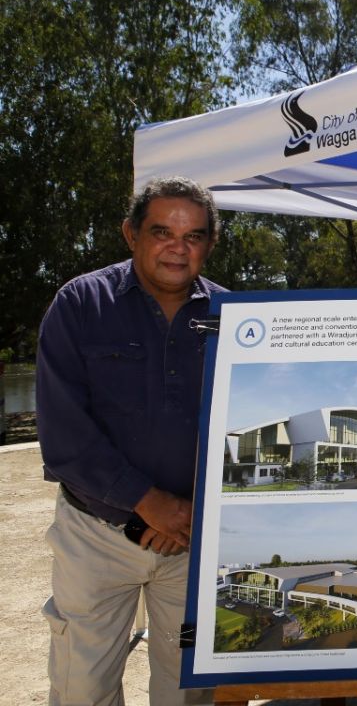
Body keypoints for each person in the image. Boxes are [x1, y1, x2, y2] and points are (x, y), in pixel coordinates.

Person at [37, 176, 224, 706]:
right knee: (82, 687)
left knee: (188, 688)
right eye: (162, 231)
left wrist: (186, 513)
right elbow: (64, 435)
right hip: (96, 537)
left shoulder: (237, 319)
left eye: (193, 236)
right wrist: (150, 502)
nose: (177, 247)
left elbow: (251, 428)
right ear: (131, 234)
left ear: (210, 243)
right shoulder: (80, 305)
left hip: (194, 542)